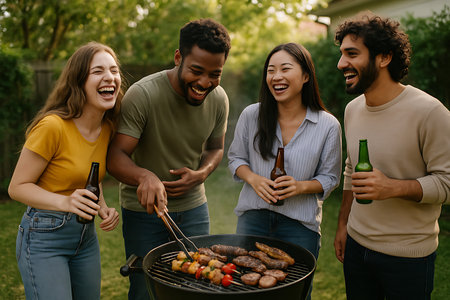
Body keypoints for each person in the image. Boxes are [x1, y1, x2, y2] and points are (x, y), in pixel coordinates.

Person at [106, 18, 231, 300]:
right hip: (144, 213)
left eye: (215, 74)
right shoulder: (143, 95)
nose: (204, 82)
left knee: (198, 287)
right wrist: (145, 176)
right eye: (197, 71)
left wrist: (202, 173)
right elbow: (115, 156)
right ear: (178, 58)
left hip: (194, 208)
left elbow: (215, 149)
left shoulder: (219, 99)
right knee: (145, 290)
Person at [333, 13, 450, 300]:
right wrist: (343, 226)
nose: (341, 64)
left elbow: (447, 183)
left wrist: (392, 187)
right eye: (341, 54)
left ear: (384, 57)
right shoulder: (353, 110)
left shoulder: (430, 112)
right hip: (357, 247)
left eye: (352, 54)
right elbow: (351, 170)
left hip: (408, 257)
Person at [8, 42, 122, 299]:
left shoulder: (106, 128)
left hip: (85, 239)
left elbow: (89, 177)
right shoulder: (52, 127)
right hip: (43, 238)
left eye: (114, 71)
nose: (110, 77)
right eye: (98, 71)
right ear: (79, 81)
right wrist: (66, 201)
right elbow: (17, 187)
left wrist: (101, 207)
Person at [228, 43, 342, 298]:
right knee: (244, 289)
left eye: (285, 69)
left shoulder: (327, 125)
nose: (276, 76)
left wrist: (301, 186)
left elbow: (331, 177)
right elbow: (235, 158)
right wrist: (254, 179)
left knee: (295, 293)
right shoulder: (251, 115)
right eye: (271, 70)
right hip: (253, 218)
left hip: (300, 226)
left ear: (305, 76)